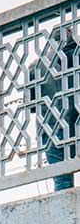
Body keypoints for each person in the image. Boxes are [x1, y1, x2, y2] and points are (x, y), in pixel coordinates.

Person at [26, 26, 78, 191]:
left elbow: (31, 106)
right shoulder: (76, 56)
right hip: (74, 122)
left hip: (49, 129)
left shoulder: (36, 67)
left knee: (62, 183)